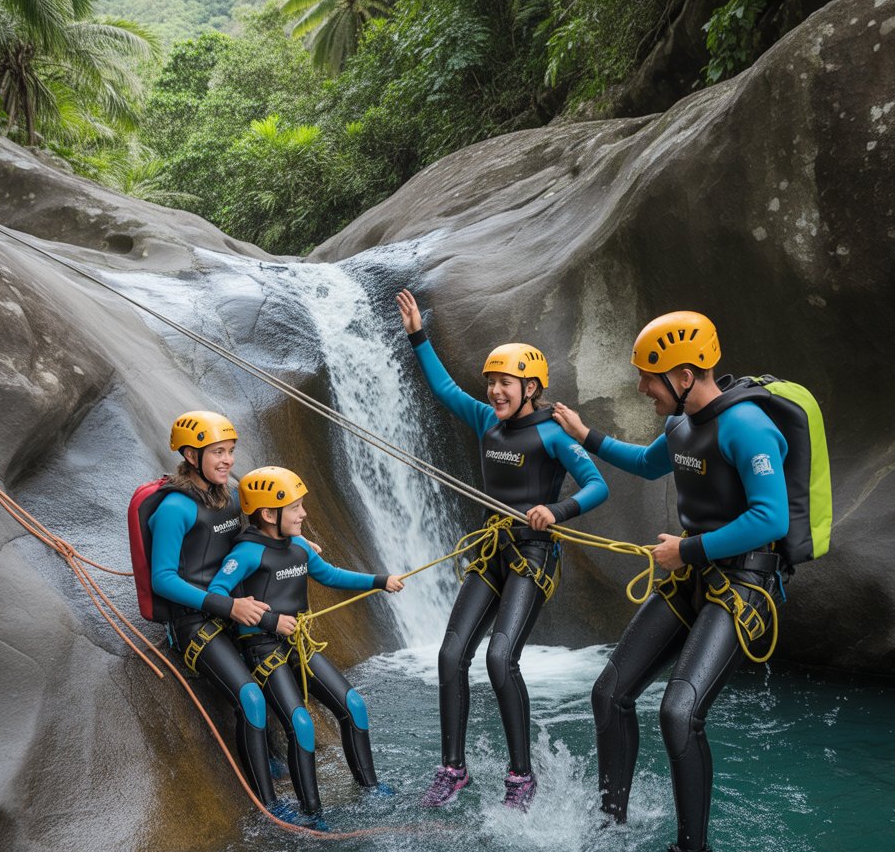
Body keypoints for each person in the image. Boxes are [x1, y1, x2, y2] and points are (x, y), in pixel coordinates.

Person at [553, 311, 789, 852]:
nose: (642, 387)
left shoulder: (747, 426)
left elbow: (771, 518)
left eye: (649, 376)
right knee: (609, 693)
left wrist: (689, 548)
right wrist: (586, 436)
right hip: (694, 575)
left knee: (680, 711)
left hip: (744, 585)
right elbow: (647, 462)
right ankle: (610, 821)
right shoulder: (681, 425)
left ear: (685, 373)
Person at [396, 288, 609, 811]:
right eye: (491, 381)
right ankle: (452, 769)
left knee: (499, 657)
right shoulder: (485, 421)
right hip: (491, 552)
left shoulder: (554, 434)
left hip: (533, 557)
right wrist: (418, 336)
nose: (494, 390)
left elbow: (596, 485)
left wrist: (555, 512)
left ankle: (521, 776)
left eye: (505, 382)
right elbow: (444, 389)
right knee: (451, 655)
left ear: (531, 387)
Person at [208, 466, 404, 822]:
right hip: (264, 650)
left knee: (353, 705)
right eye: (296, 508)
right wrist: (269, 620)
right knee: (301, 723)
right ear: (269, 514)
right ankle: (313, 813)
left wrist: (380, 580)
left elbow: (329, 574)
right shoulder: (247, 554)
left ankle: (371, 788)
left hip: (300, 644)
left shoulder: (297, 546)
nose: (304, 514)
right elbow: (218, 593)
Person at [149, 410, 294, 821]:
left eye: (230, 451)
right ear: (192, 457)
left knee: (273, 674)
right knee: (249, 695)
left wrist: (294, 545)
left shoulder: (229, 495)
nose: (228, 460)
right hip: (194, 619)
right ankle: (269, 806)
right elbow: (163, 579)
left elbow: (251, 540)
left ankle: (275, 756)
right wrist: (227, 606)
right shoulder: (176, 509)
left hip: (234, 608)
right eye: (217, 452)